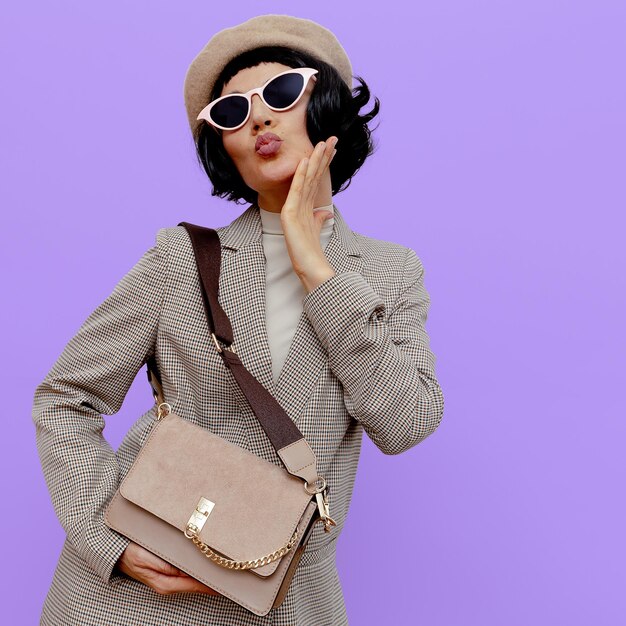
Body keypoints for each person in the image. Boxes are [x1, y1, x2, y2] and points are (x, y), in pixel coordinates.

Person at [32, 13, 445, 626]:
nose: (258, 118)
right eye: (230, 112)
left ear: (328, 109)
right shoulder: (181, 258)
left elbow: (406, 422)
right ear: (222, 146)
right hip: (132, 601)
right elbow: (65, 397)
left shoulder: (387, 272)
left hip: (286, 599)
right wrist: (106, 540)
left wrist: (317, 269)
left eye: (281, 94)